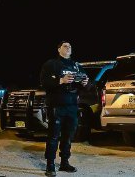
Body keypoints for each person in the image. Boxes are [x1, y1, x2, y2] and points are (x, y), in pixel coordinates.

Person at [40, 40, 89, 176]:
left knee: (68, 136)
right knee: (53, 136)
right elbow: (43, 82)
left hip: (72, 106)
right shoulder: (51, 64)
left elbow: (87, 85)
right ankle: (50, 164)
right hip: (56, 106)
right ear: (58, 49)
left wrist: (86, 83)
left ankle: (64, 163)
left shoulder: (77, 66)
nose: (68, 48)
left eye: (70, 47)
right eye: (65, 46)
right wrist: (60, 80)